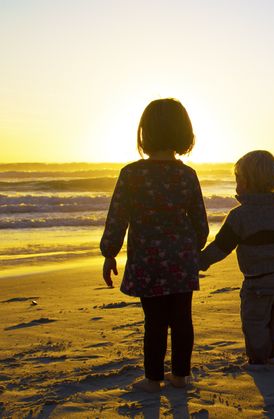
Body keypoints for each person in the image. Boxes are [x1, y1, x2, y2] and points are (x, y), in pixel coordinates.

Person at [100, 98, 209, 392]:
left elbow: (117, 218)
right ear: (184, 132)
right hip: (182, 258)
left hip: (147, 260)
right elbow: (201, 223)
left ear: (144, 132)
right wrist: (192, 248)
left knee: (155, 321)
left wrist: (109, 254)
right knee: (182, 317)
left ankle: (152, 379)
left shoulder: (132, 174)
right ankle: (182, 376)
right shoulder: (187, 175)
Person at [199, 150, 274, 365]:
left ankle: (259, 357)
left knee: (255, 321)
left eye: (237, 178)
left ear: (245, 182)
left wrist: (200, 261)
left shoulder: (239, 215)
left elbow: (221, 247)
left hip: (256, 281)